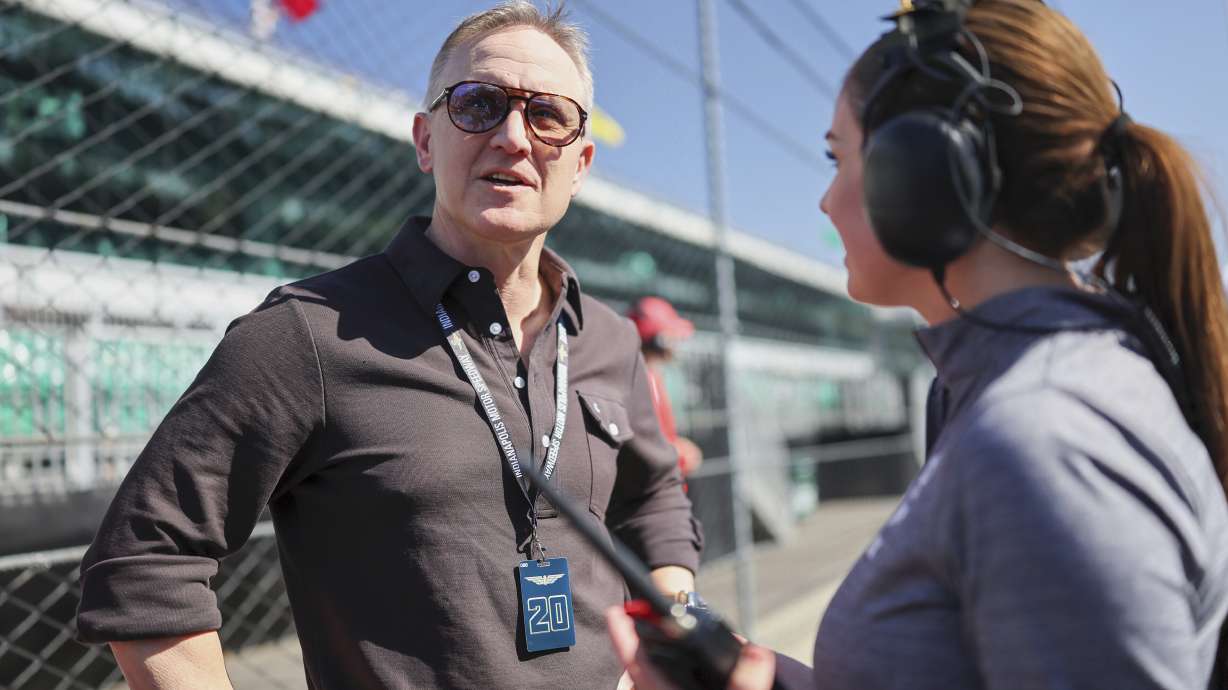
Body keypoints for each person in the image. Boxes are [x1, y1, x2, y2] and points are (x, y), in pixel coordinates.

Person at [76, 2, 703, 688]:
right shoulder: (306, 332)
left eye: (547, 115)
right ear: (426, 139)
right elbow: (144, 561)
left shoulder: (609, 339)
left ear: (580, 163)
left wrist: (674, 632)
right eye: (479, 104)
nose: (515, 138)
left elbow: (653, 499)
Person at [608, 0, 1228, 688]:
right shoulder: (1007, 394)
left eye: (838, 157)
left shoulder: (1044, 440)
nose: (824, 200)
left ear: (924, 175)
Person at [628, 296, 704, 478]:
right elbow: (641, 444)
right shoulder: (636, 378)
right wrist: (678, 454)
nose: (676, 344)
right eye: (671, 336)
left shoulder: (652, 374)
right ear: (657, 340)